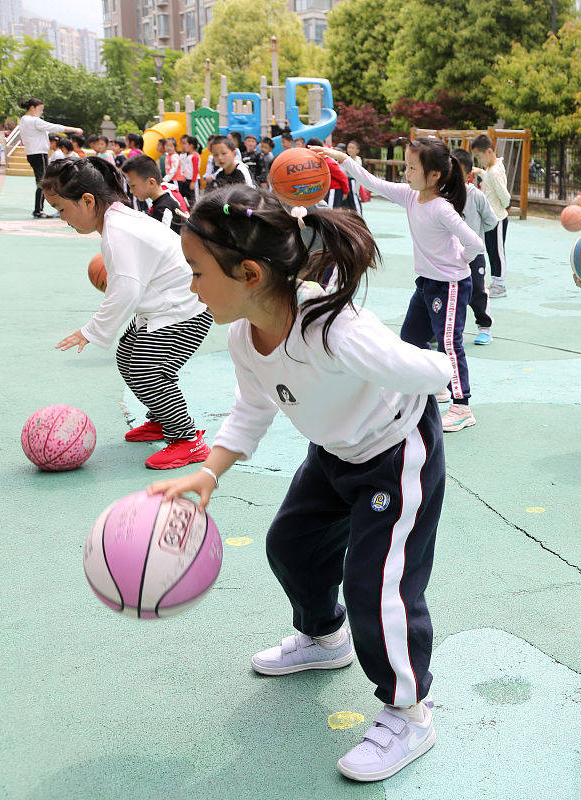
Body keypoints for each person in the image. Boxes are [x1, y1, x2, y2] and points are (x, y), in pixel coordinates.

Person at [147, 184, 452, 783]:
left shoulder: (336, 329)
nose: (191, 287)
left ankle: (410, 711)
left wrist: (446, 367)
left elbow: (426, 368)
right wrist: (211, 471)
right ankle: (324, 636)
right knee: (290, 545)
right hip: (333, 454)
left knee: (377, 586)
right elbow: (252, 410)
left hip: (395, 453)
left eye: (198, 272)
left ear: (251, 272)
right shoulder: (244, 336)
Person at [44, 157, 212, 469]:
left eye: (62, 209)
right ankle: (162, 419)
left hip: (184, 310)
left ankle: (187, 440)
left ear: (87, 200)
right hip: (165, 305)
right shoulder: (117, 221)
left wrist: (90, 331)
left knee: (150, 371)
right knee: (128, 356)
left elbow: (125, 290)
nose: (61, 217)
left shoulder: (119, 231)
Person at [315, 137, 485, 433]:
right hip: (427, 284)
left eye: (412, 168)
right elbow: (372, 181)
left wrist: (460, 259)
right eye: (406, 166)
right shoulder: (410, 196)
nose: (406, 173)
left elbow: (474, 242)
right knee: (410, 337)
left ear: (435, 175)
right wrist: (340, 158)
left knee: (449, 344)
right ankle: (437, 386)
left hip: (450, 285)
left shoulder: (442, 208)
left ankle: (462, 406)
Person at [452, 148, 499, 345]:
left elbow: (491, 221)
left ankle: (485, 327)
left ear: (469, 175)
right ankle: (443, 329)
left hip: (474, 254)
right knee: (449, 292)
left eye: (457, 172)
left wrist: (477, 233)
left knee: (476, 292)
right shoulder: (442, 195)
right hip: (451, 254)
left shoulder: (476, 196)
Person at [17, 97, 83, 218]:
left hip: (33, 153)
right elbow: (54, 127)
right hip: (38, 154)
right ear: (32, 108)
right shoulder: (33, 121)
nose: (41, 112)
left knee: (42, 182)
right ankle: (38, 210)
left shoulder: (23, 120)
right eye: (40, 109)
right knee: (43, 182)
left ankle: (39, 209)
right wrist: (75, 130)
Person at [470, 134, 511, 298]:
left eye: (479, 157)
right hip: (491, 219)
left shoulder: (494, 172)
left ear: (489, 152)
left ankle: (500, 284)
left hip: (498, 219)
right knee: (492, 250)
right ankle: (496, 282)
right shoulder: (493, 168)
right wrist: (481, 171)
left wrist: (499, 205)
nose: (479, 161)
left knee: (497, 252)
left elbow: (505, 198)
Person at [121, 154, 187, 235]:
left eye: (133, 186)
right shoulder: (163, 201)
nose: (130, 191)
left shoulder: (163, 210)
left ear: (151, 182)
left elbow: (161, 243)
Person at [308, 137, 350, 208]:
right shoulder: (318, 162)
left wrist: (346, 192)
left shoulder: (328, 162)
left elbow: (342, 177)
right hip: (327, 190)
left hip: (334, 190)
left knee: (330, 212)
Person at [340, 140, 364, 214]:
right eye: (349, 147)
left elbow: (352, 172)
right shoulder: (347, 158)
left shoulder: (358, 160)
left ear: (357, 150)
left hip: (353, 181)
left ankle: (360, 217)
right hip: (345, 181)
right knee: (345, 202)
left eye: (352, 148)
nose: (350, 149)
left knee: (354, 199)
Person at [177, 135, 202, 206]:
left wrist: (193, 182)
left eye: (185, 144)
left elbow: (195, 170)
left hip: (194, 180)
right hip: (187, 180)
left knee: (195, 198)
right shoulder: (188, 155)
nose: (184, 146)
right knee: (189, 198)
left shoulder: (195, 156)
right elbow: (187, 168)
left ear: (190, 145)